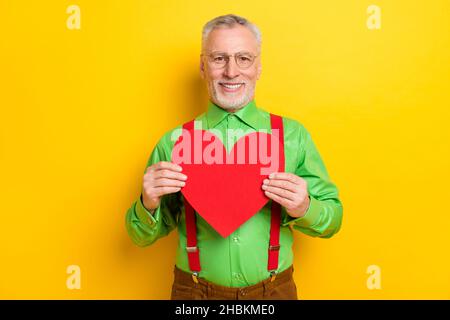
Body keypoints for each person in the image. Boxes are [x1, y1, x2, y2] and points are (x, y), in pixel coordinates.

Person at [125, 14, 343, 300]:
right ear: (203, 67)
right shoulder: (174, 142)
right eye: (219, 59)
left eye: (243, 58)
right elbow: (141, 237)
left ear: (259, 67)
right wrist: (148, 203)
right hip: (193, 294)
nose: (231, 71)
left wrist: (305, 206)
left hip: (274, 292)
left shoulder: (292, 136)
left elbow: (333, 220)